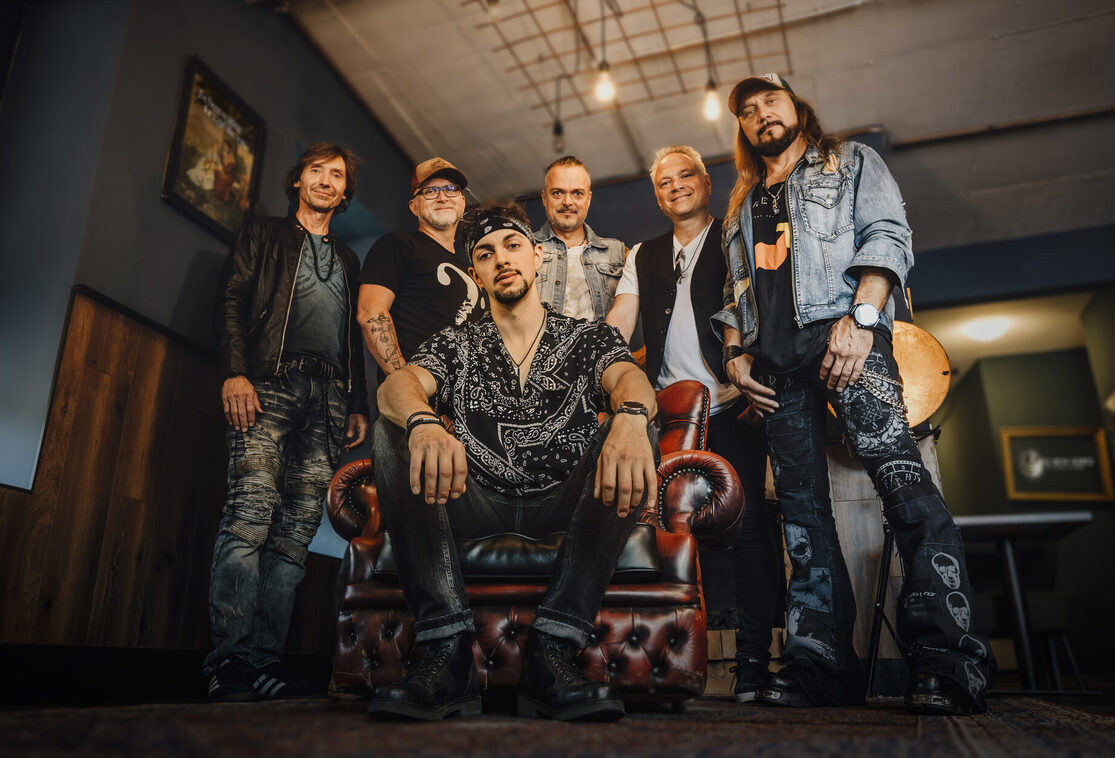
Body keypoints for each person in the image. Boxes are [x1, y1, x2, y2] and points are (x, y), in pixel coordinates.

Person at [714, 73, 994, 715]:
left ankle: (950, 664)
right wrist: (734, 357)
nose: (761, 116)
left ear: (796, 108)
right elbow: (736, 296)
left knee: (905, 490)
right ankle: (820, 667)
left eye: (771, 102)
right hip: (777, 376)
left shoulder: (851, 162)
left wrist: (863, 320)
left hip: (847, 343)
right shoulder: (741, 205)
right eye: (748, 111)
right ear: (743, 129)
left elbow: (888, 237)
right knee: (805, 524)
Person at [367, 204, 659, 722]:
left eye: (512, 246)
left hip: (566, 499)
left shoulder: (588, 335)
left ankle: (553, 649)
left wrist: (631, 418)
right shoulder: (458, 343)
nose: (501, 259)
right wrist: (425, 422)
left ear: (538, 255)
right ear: (475, 273)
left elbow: (629, 381)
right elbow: (398, 384)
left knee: (637, 425)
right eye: (485, 253)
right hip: (475, 500)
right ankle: (446, 650)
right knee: (394, 423)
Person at [605, 144, 782, 703]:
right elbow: (621, 319)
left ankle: (754, 661)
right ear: (656, 194)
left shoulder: (733, 233)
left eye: (686, 176)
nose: (676, 185)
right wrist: (593, 356)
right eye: (664, 181)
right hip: (667, 413)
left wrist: (764, 376)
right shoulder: (643, 253)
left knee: (749, 530)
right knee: (657, 529)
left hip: (732, 404)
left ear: (707, 182)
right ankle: (651, 660)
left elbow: (763, 307)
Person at [206, 143, 369, 701]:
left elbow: (353, 338)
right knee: (249, 512)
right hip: (267, 384)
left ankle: (263, 661)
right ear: (297, 180)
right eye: (317, 171)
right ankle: (227, 663)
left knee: (296, 534)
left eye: (337, 176)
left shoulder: (347, 259)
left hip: (327, 400)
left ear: (345, 193)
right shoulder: (263, 234)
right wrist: (235, 371)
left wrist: (358, 404)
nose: (326, 181)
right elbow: (231, 298)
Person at [356, 158, 485, 378]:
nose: (442, 196)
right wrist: (407, 389)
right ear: (414, 206)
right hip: (413, 402)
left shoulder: (471, 269)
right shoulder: (399, 245)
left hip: (463, 407)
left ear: (462, 202)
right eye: (430, 191)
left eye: (450, 189)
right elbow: (371, 313)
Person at [535, 156, 627, 320]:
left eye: (577, 193)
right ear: (544, 198)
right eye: (557, 193)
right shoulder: (525, 249)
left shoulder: (618, 252)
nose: (567, 202)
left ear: (588, 199)